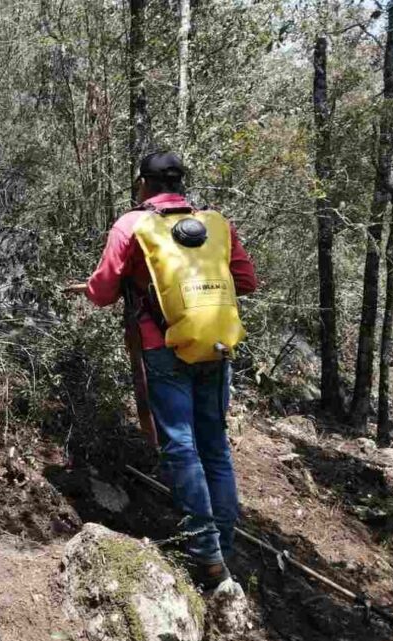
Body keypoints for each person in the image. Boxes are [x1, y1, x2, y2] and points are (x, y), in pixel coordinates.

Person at [66, 151, 257, 590]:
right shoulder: (216, 224)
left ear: (143, 184)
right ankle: (221, 548)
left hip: (163, 348)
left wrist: (93, 287)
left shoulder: (132, 225)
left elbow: (103, 291)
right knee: (215, 447)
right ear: (180, 183)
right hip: (215, 345)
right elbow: (246, 282)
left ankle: (205, 554)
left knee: (180, 446)